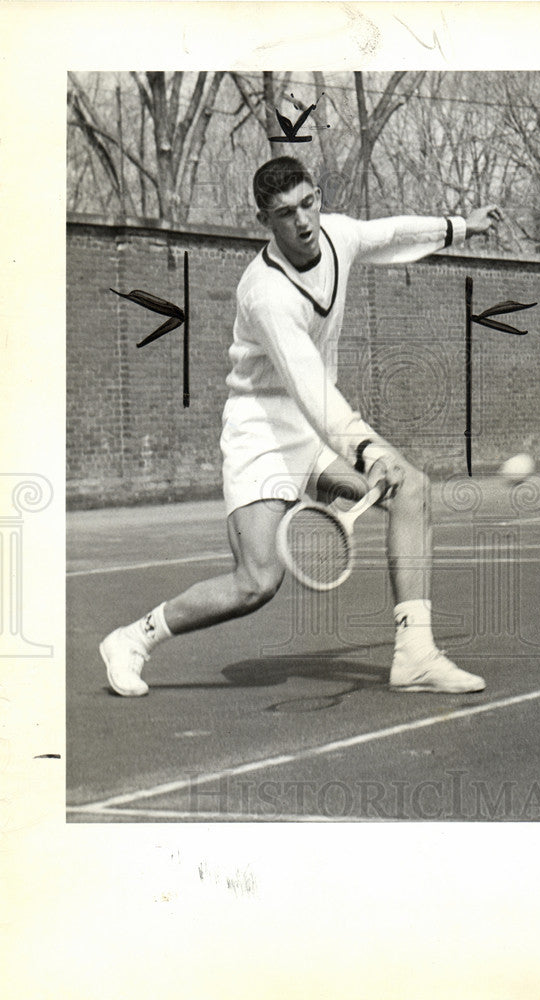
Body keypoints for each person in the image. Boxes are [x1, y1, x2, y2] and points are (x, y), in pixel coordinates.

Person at [100, 156, 502, 697]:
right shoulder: (266, 295)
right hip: (261, 429)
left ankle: (415, 655)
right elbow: (311, 390)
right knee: (257, 583)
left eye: (308, 203)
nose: (303, 221)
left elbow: (389, 233)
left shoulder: (337, 235)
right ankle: (132, 638)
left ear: (319, 196)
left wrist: (458, 227)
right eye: (285, 213)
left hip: (315, 429)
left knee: (412, 488)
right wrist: (365, 450)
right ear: (265, 220)